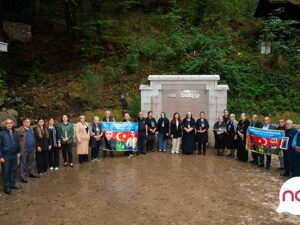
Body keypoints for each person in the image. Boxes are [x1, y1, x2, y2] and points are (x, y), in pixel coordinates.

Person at [0, 119, 21, 195]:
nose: (9, 124)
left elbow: (18, 142)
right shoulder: (2, 133)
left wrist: (18, 152)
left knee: (13, 170)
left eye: (10, 123)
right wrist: (0, 156)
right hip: (5, 156)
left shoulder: (15, 132)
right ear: (5, 124)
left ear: (12, 124)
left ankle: (12, 184)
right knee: (6, 172)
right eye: (7, 123)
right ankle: (7, 188)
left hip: (14, 154)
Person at [17, 118, 39, 183]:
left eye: (29, 122)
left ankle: (32, 173)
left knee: (31, 162)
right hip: (24, 150)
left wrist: (34, 147)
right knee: (23, 164)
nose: (28, 123)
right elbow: (17, 141)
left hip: (31, 149)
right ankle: (23, 176)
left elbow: (33, 138)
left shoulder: (31, 129)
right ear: (23, 123)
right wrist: (18, 151)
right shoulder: (20, 130)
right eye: (26, 122)